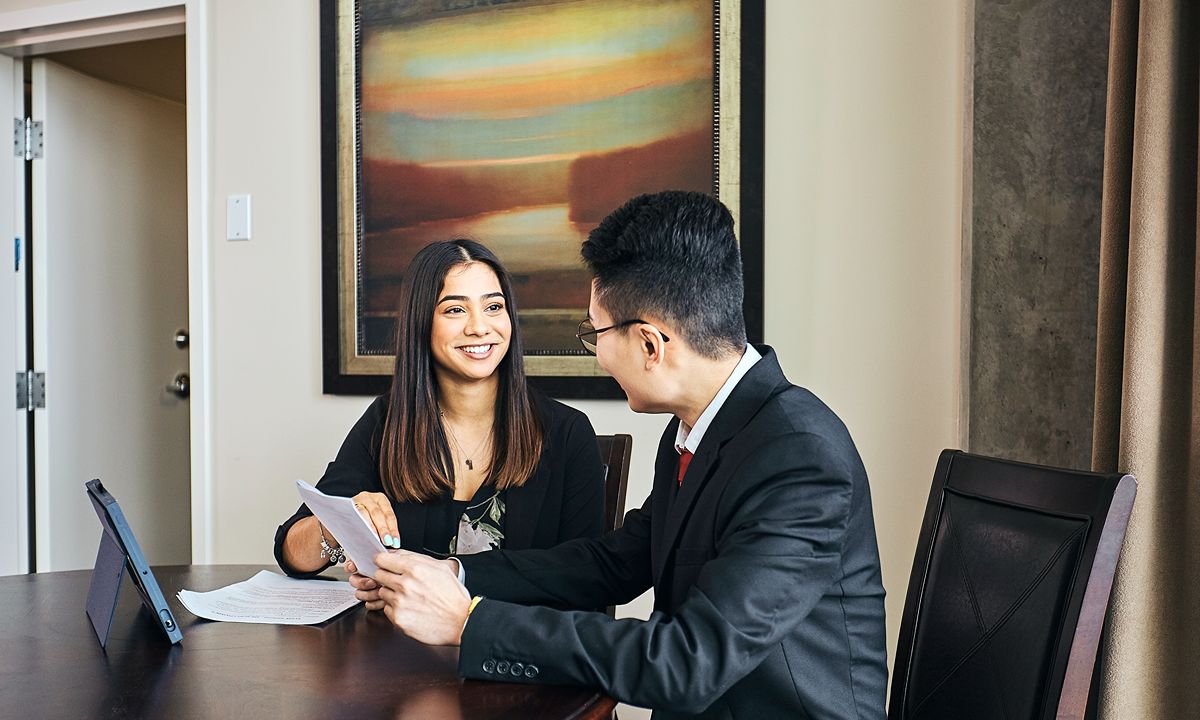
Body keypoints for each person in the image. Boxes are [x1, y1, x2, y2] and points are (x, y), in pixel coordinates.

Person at [348, 193, 889, 719]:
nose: (599, 354)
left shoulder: (799, 456)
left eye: (596, 332)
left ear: (650, 344)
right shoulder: (698, 430)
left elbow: (686, 662)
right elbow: (613, 564)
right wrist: (451, 573)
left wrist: (470, 623)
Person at [274, 239, 606, 576]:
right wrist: (340, 521)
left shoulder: (566, 432)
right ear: (422, 323)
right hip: (398, 630)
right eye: (455, 309)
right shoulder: (387, 422)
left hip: (517, 630)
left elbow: (583, 575)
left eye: (493, 307)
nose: (479, 327)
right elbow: (292, 556)